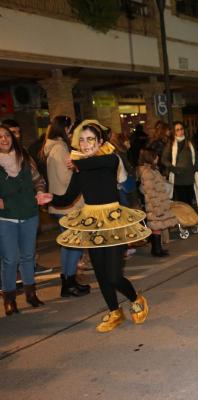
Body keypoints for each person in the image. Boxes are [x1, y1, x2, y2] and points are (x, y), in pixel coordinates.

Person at [51, 122, 151, 332]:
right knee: (101, 273)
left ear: (101, 142)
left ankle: (136, 298)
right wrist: (47, 198)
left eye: (90, 139)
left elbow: (100, 161)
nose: (85, 144)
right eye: (82, 140)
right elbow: (67, 198)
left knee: (114, 275)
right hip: (92, 222)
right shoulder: (81, 168)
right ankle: (114, 311)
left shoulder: (110, 160)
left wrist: (77, 160)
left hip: (113, 220)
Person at [0, 124, 53, 315]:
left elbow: (39, 180)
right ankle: (9, 299)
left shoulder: (24, 156)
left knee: (28, 256)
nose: (4, 139)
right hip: (5, 218)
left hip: (29, 214)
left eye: (7, 135)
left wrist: (40, 193)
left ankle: (31, 294)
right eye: (0, 137)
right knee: (10, 259)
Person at [43, 115, 90, 297]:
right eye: (70, 128)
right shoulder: (60, 148)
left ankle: (70, 281)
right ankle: (68, 282)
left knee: (71, 245)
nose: (72, 132)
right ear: (64, 128)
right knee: (72, 245)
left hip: (64, 205)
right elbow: (66, 178)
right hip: (67, 205)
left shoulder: (53, 147)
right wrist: (80, 168)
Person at [138, 148, 177, 257]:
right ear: (151, 158)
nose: (158, 158)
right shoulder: (148, 173)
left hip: (159, 203)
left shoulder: (152, 170)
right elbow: (150, 192)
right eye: (156, 156)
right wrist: (157, 208)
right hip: (155, 205)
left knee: (157, 226)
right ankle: (156, 250)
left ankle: (158, 248)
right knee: (156, 226)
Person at [161, 121, 198, 207]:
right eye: (177, 130)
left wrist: (194, 167)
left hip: (189, 176)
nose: (180, 131)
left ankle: (190, 218)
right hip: (178, 177)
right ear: (174, 131)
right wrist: (174, 169)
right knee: (182, 202)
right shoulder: (171, 144)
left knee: (189, 200)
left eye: (181, 129)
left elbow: (196, 156)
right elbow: (164, 159)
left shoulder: (189, 142)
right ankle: (185, 219)